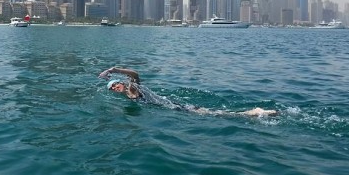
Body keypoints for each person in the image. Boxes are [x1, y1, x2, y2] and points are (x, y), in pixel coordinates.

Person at [99, 67, 278, 117]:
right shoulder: (129, 92)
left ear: (120, 83)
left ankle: (253, 113)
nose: (115, 88)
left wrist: (114, 70)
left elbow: (135, 74)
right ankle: (251, 113)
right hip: (174, 106)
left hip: (176, 109)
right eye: (112, 88)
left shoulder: (132, 88)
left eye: (115, 85)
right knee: (214, 114)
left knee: (216, 115)